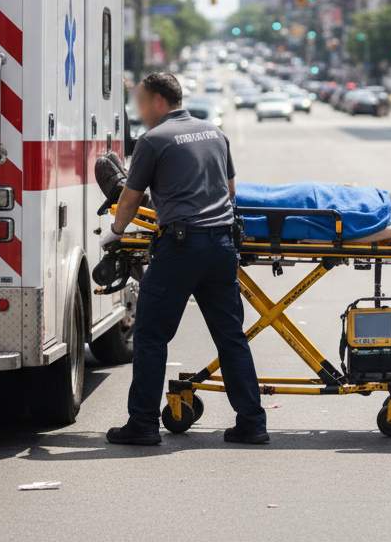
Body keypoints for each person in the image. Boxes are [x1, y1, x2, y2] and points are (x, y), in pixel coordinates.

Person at [102, 71, 268, 446]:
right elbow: (229, 190)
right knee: (230, 337)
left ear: (159, 101)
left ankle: (142, 423)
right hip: (222, 245)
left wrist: (116, 230)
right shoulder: (214, 133)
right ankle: (252, 423)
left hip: (180, 247)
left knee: (149, 334)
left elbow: (130, 196)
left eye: (142, 102)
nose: (140, 110)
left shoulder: (154, 140)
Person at [235, 179, 391, 243]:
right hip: (308, 198)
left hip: (306, 205)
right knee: (251, 195)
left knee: (244, 199)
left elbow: (367, 233)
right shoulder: (386, 204)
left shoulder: (390, 216)